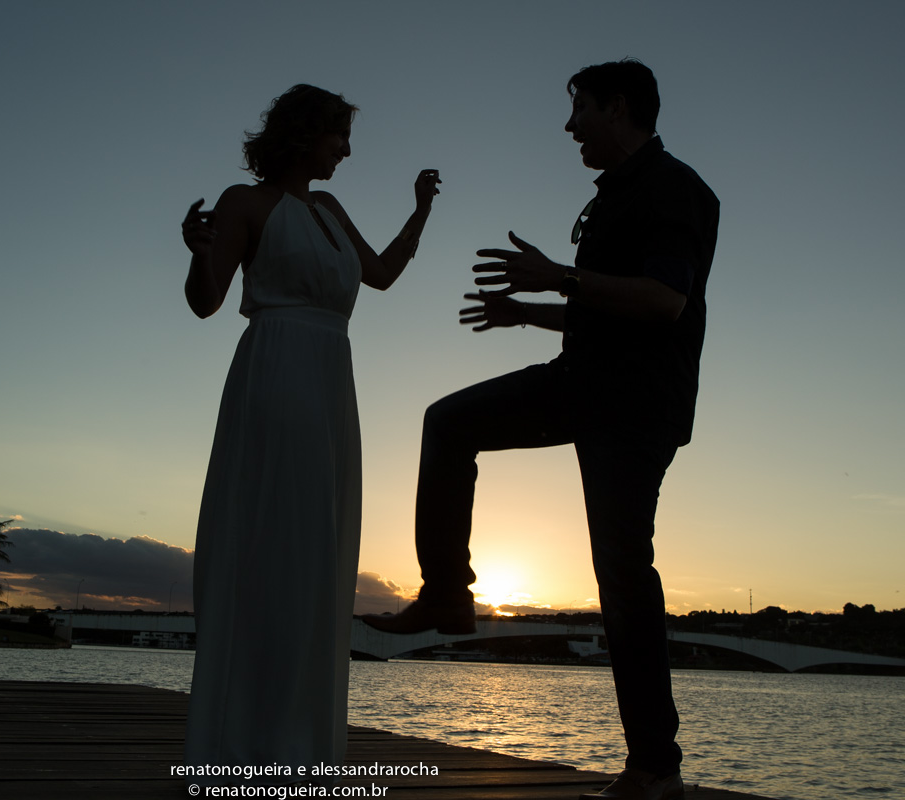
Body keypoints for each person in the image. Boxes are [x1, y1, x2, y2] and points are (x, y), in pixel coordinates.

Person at [362, 60, 718, 800]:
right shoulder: (618, 193)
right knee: (448, 422)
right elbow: (605, 306)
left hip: (635, 405)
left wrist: (559, 278)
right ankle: (448, 594)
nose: (568, 127)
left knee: (622, 575)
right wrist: (528, 313)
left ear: (617, 107)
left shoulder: (675, 189)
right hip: (581, 382)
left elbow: (662, 303)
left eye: (579, 109)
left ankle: (657, 766)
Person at [181, 84, 440, 786]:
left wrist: (420, 213)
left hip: (330, 384)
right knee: (272, 549)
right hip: (276, 377)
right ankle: (246, 747)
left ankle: (297, 744)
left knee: (316, 558)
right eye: (337, 136)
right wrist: (196, 253)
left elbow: (380, 274)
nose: (347, 150)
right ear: (303, 133)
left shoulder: (327, 211)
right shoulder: (246, 204)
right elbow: (207, 300)